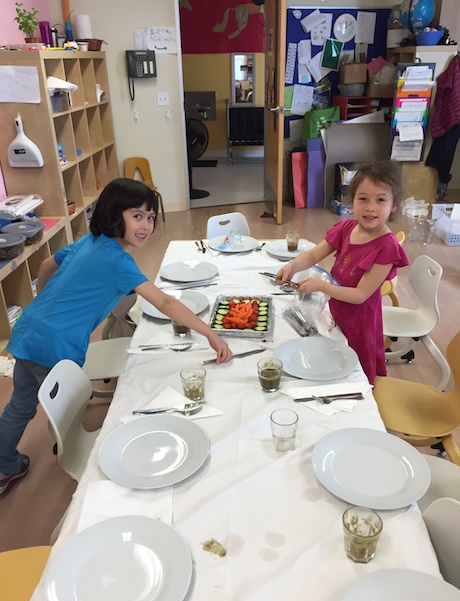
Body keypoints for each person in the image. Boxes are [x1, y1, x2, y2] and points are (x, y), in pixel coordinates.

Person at [0, 178, 232, 493]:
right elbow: (164, 302)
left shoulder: (89, 242)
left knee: (22, 403)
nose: (146, 225)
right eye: (137, 215)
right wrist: (210, 334)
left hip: (29, 329)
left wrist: (44, 301)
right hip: (55, 345)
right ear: (113, 214)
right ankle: (58, 448)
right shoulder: (117, 260)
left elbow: (44, 265)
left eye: (150, 217)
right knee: (64, 402)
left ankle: (5, 462)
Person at [278, 160, 409, 386]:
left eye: (380, 200)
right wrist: (293, 265)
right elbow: (313, 255)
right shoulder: (347, 228)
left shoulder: (387, 247)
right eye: (363, 198)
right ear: (352, 200)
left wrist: (321, 286)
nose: (370, 207)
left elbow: (360, 295)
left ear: (394, 204)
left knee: (356, 371)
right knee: (333, 359)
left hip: (361, 320)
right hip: (337, 309)